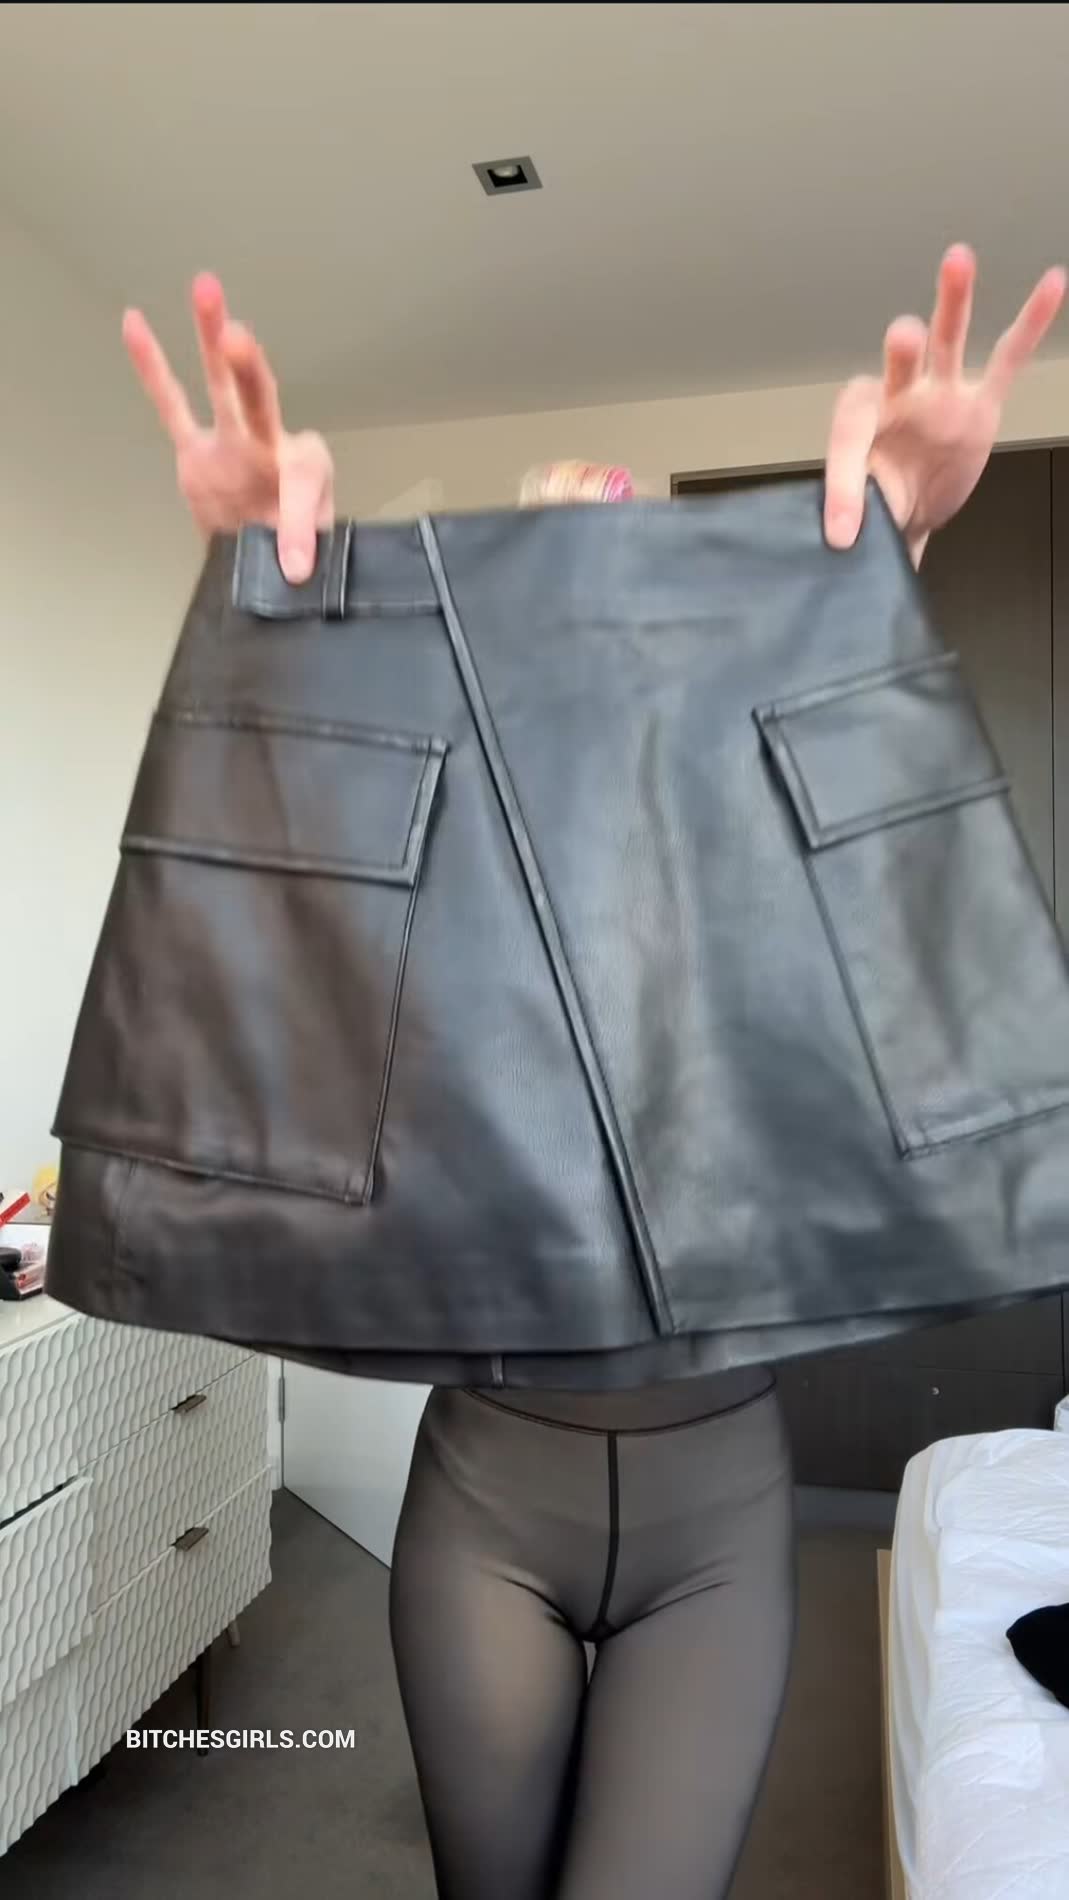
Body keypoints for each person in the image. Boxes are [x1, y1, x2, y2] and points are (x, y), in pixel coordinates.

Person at [124, 246, 1064, 1900]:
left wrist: (891, 552)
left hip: (720, 1521)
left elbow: (852, 813)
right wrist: (266, 632)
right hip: (485, 1501)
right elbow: (271, 924)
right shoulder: (440, 889)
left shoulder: (748, 874)